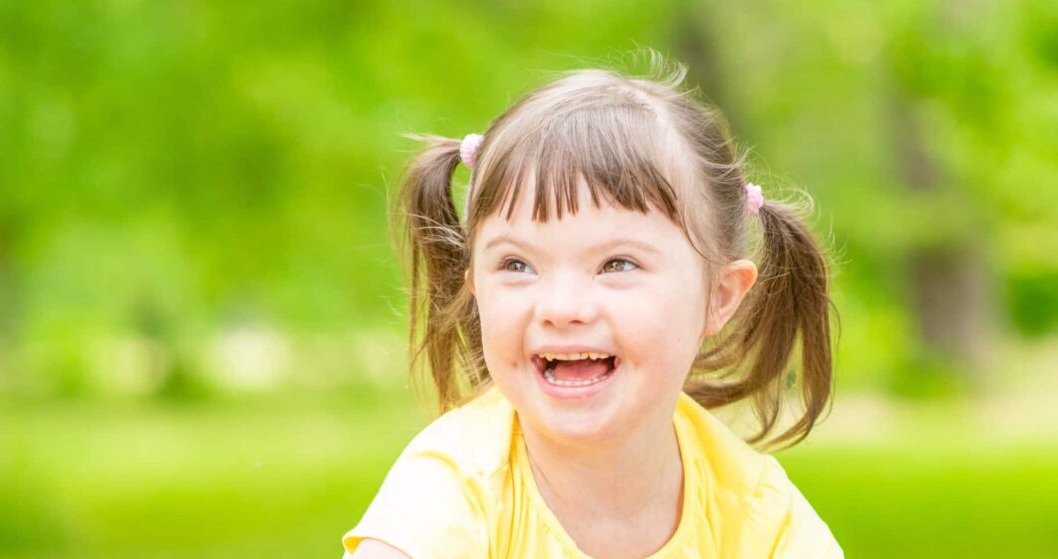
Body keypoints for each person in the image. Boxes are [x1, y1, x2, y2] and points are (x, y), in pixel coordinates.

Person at [343, 56, 843, 558]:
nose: (562, 308)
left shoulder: (754, 513)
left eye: (617, 264)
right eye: (517, 265)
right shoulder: (449, 495)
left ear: (720, 296)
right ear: (475, 287)